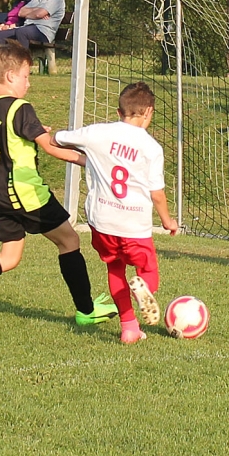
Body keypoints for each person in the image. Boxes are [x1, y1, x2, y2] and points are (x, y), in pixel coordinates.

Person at [0, 40, 118, 328]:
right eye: (26, 76)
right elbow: (51, 147)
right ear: (10, 76)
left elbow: (10, 140)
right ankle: (86, 310)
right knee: (69, 241)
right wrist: (91, 162)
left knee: (9, 257)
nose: (28, 83)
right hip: (24, 191)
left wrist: (35, 132)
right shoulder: (21, 107)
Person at [53, 82, 179, 344]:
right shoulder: (151, 148)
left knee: (115, 268)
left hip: (102, 222)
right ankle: (145, 288)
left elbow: (59, 139)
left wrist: (46, 135)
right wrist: (168, 221)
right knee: (147, 270)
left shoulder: (98, 133)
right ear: (149, 112)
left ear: (119, 112)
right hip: (134, 224)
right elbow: (157, 193)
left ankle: (129, 328)